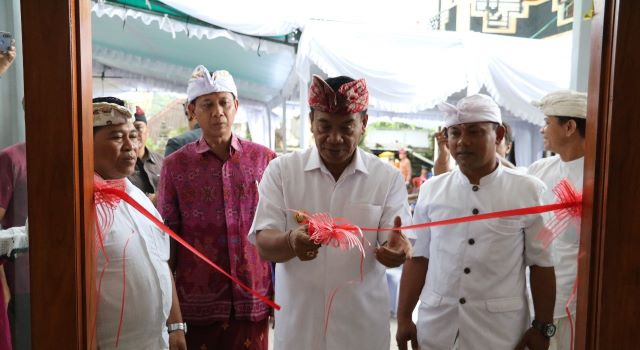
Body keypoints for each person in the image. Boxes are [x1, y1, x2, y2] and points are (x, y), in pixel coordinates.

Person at [249, 75, 412, 350]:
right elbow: (264, 243)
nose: (334, 138)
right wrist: (291, 242)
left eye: (347, 127)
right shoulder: (282, 171)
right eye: (324, 126)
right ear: (311, 121)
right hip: (300, 331)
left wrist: (398, 251)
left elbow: (396, 242)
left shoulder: (386, 178)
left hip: (362, 332)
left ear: (364, 124)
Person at [396, 94, 556, 350]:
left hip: (500, 332)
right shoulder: (432, 190)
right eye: (454, 133)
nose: (462, 142)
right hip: (437, 326)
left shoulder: (529, 191)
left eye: (474, 132)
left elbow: (542, 264)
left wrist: (543, 327)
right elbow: (418, 258)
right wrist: (404, 316)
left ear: (499, 134)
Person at [158, 66, 276, 350]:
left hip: (253, 302)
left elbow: (278, 229)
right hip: (197, 306)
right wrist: (172, 318)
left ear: (236, 106)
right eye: (207, 104)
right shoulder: (175, 166)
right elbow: (166, 244)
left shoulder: (266, 160)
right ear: (192, 111)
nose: (218, 112)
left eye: (224, 102)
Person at [92, 97, 186, 350]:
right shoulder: (79, 207)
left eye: (132, 136)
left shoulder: (136, 196)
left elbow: (161, 261)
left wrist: (176, 327)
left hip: (159, 341)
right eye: (115, 137)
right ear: (84, 143)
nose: (130, 146)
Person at [528, 90, 587, 350]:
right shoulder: (541, 169)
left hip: (571, 304)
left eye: (547, 122)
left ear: (570, 127)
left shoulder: (599, 175)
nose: (542, 129)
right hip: (533, 295)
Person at [127, 106, 164, 205]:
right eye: (129, 128)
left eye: (138, 127)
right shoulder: (120, 166)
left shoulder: (162, 162)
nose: (134, 133)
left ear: (147, 131)